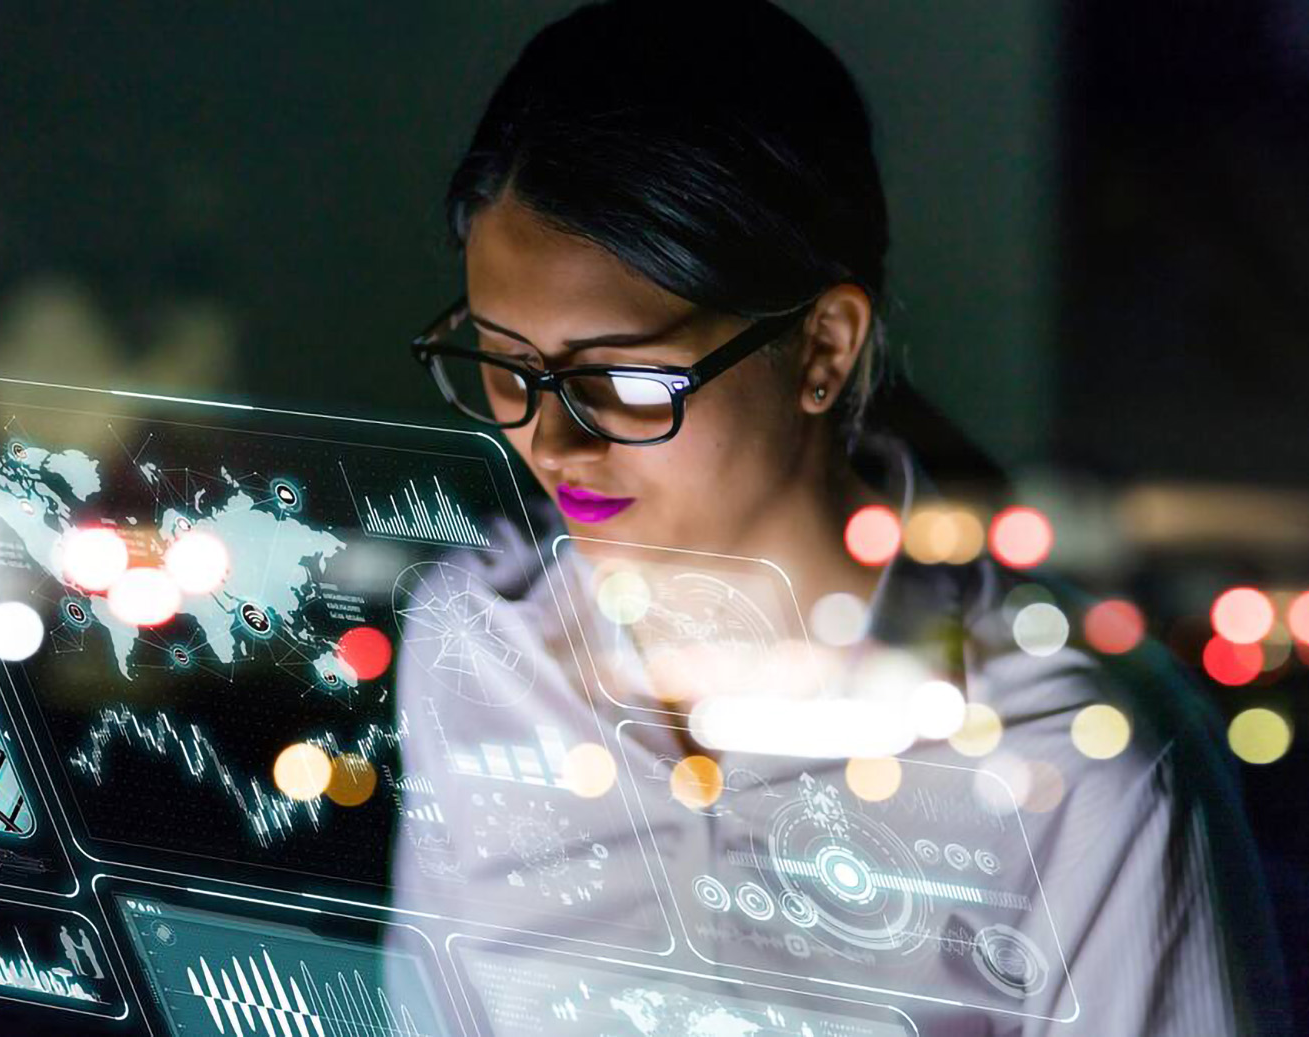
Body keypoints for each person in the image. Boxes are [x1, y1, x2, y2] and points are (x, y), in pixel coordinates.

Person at [387, 2, 1289, 1034]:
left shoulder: (1072, 760)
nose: (551, 439)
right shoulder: (477, 651)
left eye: (625, 376)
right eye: (503, 363)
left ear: (822, 347)